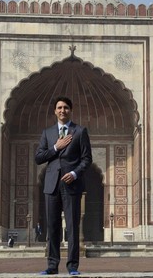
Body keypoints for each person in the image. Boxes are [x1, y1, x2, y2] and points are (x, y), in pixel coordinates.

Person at [35, 96, 92, 276]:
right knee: (52, 226)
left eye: (66, 107)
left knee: (73, 226)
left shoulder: (80, 131)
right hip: (51, 185)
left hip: (72, 185)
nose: (62, 110)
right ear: (54, 111)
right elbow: (38, 158)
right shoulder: (47, 133)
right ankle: (52, 265)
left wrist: (74, 173)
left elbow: (87, 159)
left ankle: (72, 266)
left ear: (70, 110)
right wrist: (56, 147)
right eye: (59, 107)